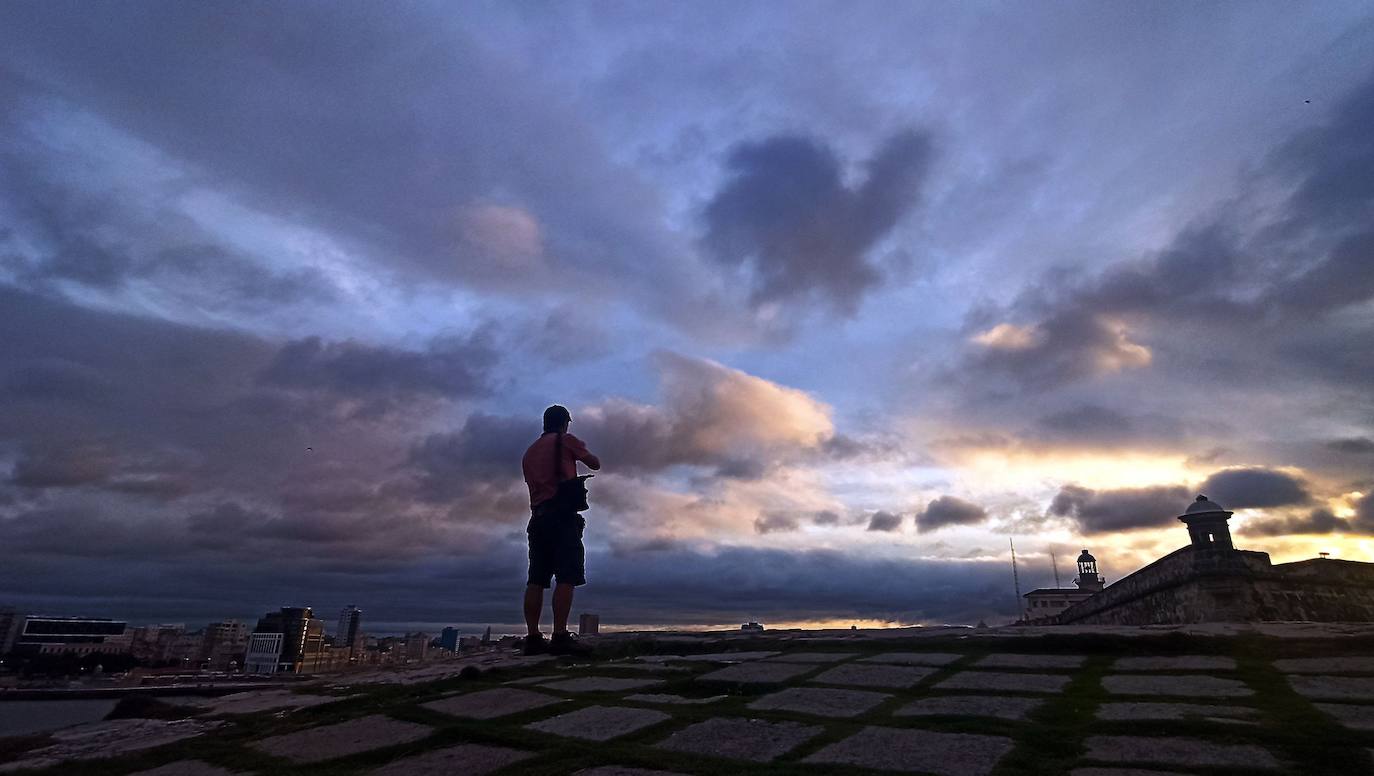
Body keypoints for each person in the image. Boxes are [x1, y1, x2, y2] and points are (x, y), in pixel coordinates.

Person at [521, 404, 600, 656]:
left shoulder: (529, 452)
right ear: (565, 422)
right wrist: (581, 448)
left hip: (538, 518)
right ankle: (560, 635)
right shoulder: (566, 441)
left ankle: (533, 638)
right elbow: (594, 463)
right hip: (562, 518)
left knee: (536, 579)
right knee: (566, 576)